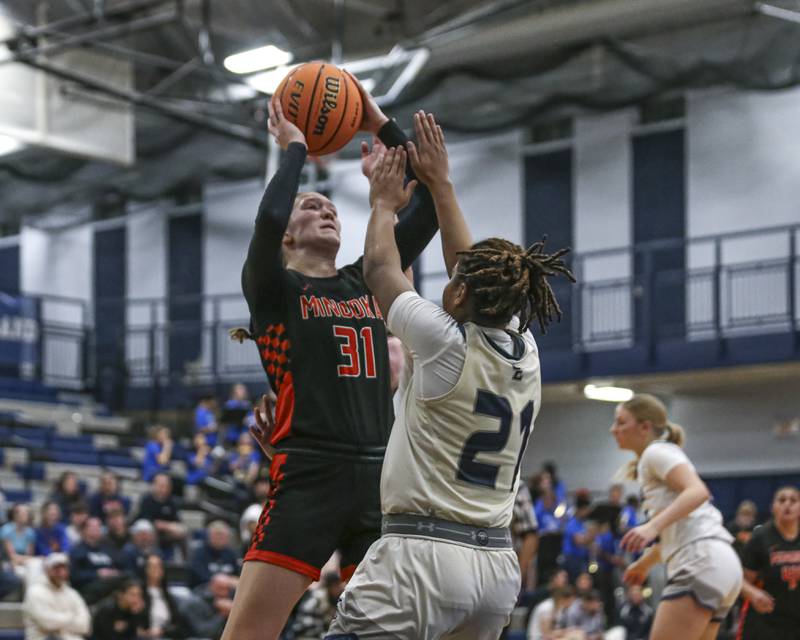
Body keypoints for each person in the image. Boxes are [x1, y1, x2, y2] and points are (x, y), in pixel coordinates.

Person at [325, 112, 574, 638]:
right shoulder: (525, 348)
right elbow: (471, 263)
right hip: (495, 566)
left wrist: (382, 205)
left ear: (461, 293)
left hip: (423, 556)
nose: (452, 270)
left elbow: (378, 272)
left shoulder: (444, 342)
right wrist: (440, 185)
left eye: (457, 276)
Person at [219, 76, 440, 640]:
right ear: (287, 240)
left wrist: (376, 123)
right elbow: (267, 220)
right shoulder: (273, 289)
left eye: (329, 206)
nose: (324, 208)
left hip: (378, 476)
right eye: (308, 206)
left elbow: (433, 197)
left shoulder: (369, 279)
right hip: (309, 473)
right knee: (249, 633)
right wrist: (295, 146)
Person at [613, 393, 742, 640]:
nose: (613, 429)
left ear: (645, 427)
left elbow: (697, 491)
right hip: (718, 562)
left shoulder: (656, 452)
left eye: (621, 422)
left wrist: (651, 527)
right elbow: (683, 528)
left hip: (701, 560)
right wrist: (646, 562)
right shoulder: (653, 458)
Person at [737, 485, 800, 639]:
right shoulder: (760, 538)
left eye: (793, 500)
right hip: (765, 622)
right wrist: (753, 594)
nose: (787, 504)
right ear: (773, 507)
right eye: (782, 500)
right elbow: (740, 582)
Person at [22, 552, 91, 640]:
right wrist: (71, 617)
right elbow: (48, 624)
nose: (61, 572)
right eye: (56, 568)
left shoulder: (72, 593)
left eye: (64, 568)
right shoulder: (35, 592)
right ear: (47, 570)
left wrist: (59, 624)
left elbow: (85, 626)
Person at [140, 553, 192, 639]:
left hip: (166, 635)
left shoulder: (167, 595)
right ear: (145, 569)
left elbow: (177, 623)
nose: (156, 570)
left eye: (159, 566)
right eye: (152, 566)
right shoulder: (138, 593)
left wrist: (163, 631)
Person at [136, 473, 186, 560]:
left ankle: (186, 562)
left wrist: (167, 526)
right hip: (151, 532)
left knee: (184, 532)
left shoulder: (171, 502)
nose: (163, 488)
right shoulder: (147, 500)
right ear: (154, 485)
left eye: (166, 486)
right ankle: (153, 558)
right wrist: (165, 525)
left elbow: (177, 521)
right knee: (149, 529)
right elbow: (147, 519)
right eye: (161, 485)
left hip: (166, 532)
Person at [189, 520, 240, 588]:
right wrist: (220, 581)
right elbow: (198, 575)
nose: (219, 538)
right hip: (205, 589)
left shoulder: (232, 553)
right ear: (209, 536)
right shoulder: (199, 553)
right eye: (217, 535)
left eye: (222, 535)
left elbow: (238, 575)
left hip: (228, 590)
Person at [0, 502, 35, 568]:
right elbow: (11, 556)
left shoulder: (30, 532)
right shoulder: (5, 530)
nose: (26, 515)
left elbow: (30, 555)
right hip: (7, 564)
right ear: (14, 515)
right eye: (23, 513)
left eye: (27, 513)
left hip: (25, 563)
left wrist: (26, 560)